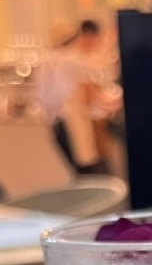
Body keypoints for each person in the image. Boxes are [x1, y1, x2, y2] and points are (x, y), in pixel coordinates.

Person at [36, 20, 109, 175]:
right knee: (93, 174)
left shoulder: (47, 61)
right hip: (75, 126)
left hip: (56, 125)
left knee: (79, 173)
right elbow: (89, 95)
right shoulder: (75, 60)